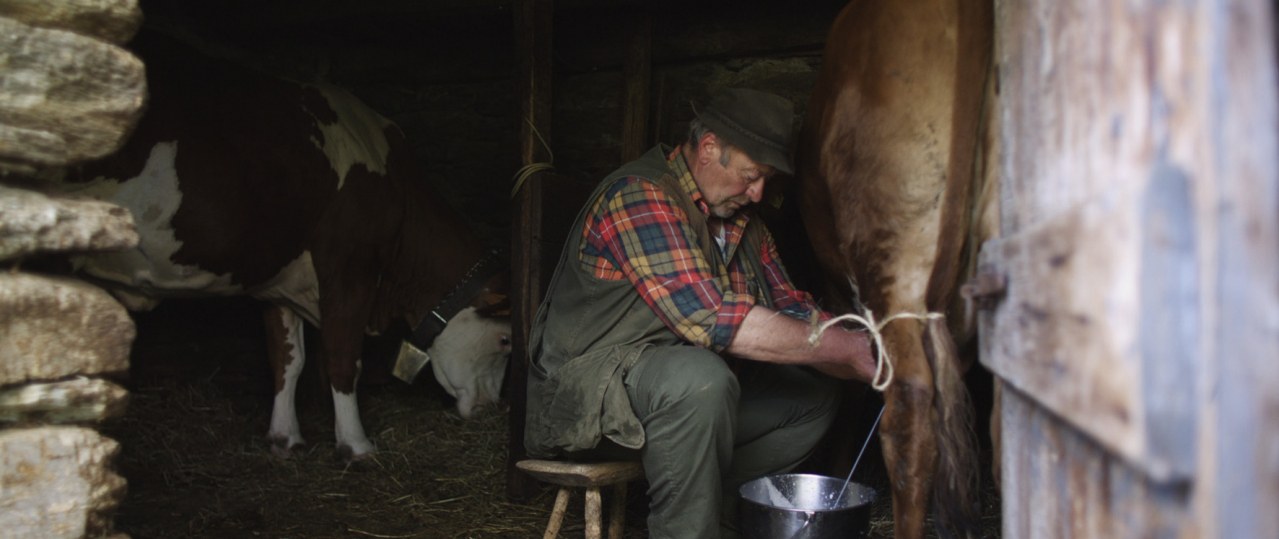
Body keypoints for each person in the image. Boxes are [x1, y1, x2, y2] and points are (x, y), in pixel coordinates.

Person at [524, 88, 877, 538]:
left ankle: (720, 517)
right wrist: (846, 349)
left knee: (811, 394)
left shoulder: (747, 225)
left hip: (688, 403)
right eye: (752, 175)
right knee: (699, 377)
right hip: (587, 402)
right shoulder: (638, 197)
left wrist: (869, 343)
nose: (759, 192)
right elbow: (711, 319)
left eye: (766, 179)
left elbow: (793, 310)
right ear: (710, 148)